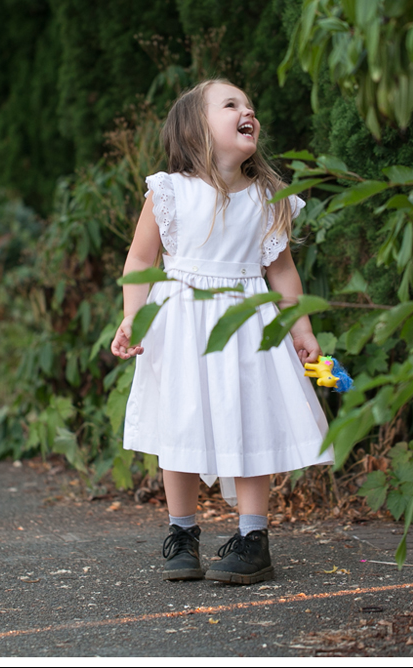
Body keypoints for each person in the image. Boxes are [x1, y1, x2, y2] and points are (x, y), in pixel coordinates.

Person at [111, 79, 333, 585]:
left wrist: (300, 327)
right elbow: (141, 258)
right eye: (231, 104)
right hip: (181, 323)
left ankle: (253, 537)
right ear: (196, 129)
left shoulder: (268, 197)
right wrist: (132, 316)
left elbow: (281, 272)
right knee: (181, 422)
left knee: (251, 419)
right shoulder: (170, 191)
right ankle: (181, 533)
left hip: (249, 323)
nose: (246, 110)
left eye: (249, 106)